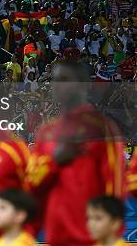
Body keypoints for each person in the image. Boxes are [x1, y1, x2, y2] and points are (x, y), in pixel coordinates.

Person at [26, 61, 126, 246]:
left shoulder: (101, 128)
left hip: (91, 238)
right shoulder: (46, 132)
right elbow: (33, 184)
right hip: (55, 236)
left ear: (83, 84)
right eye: (54, 80)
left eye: (64, 80)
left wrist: (109, 235)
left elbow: (115, 183)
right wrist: (54, 161)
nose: (57, 85)